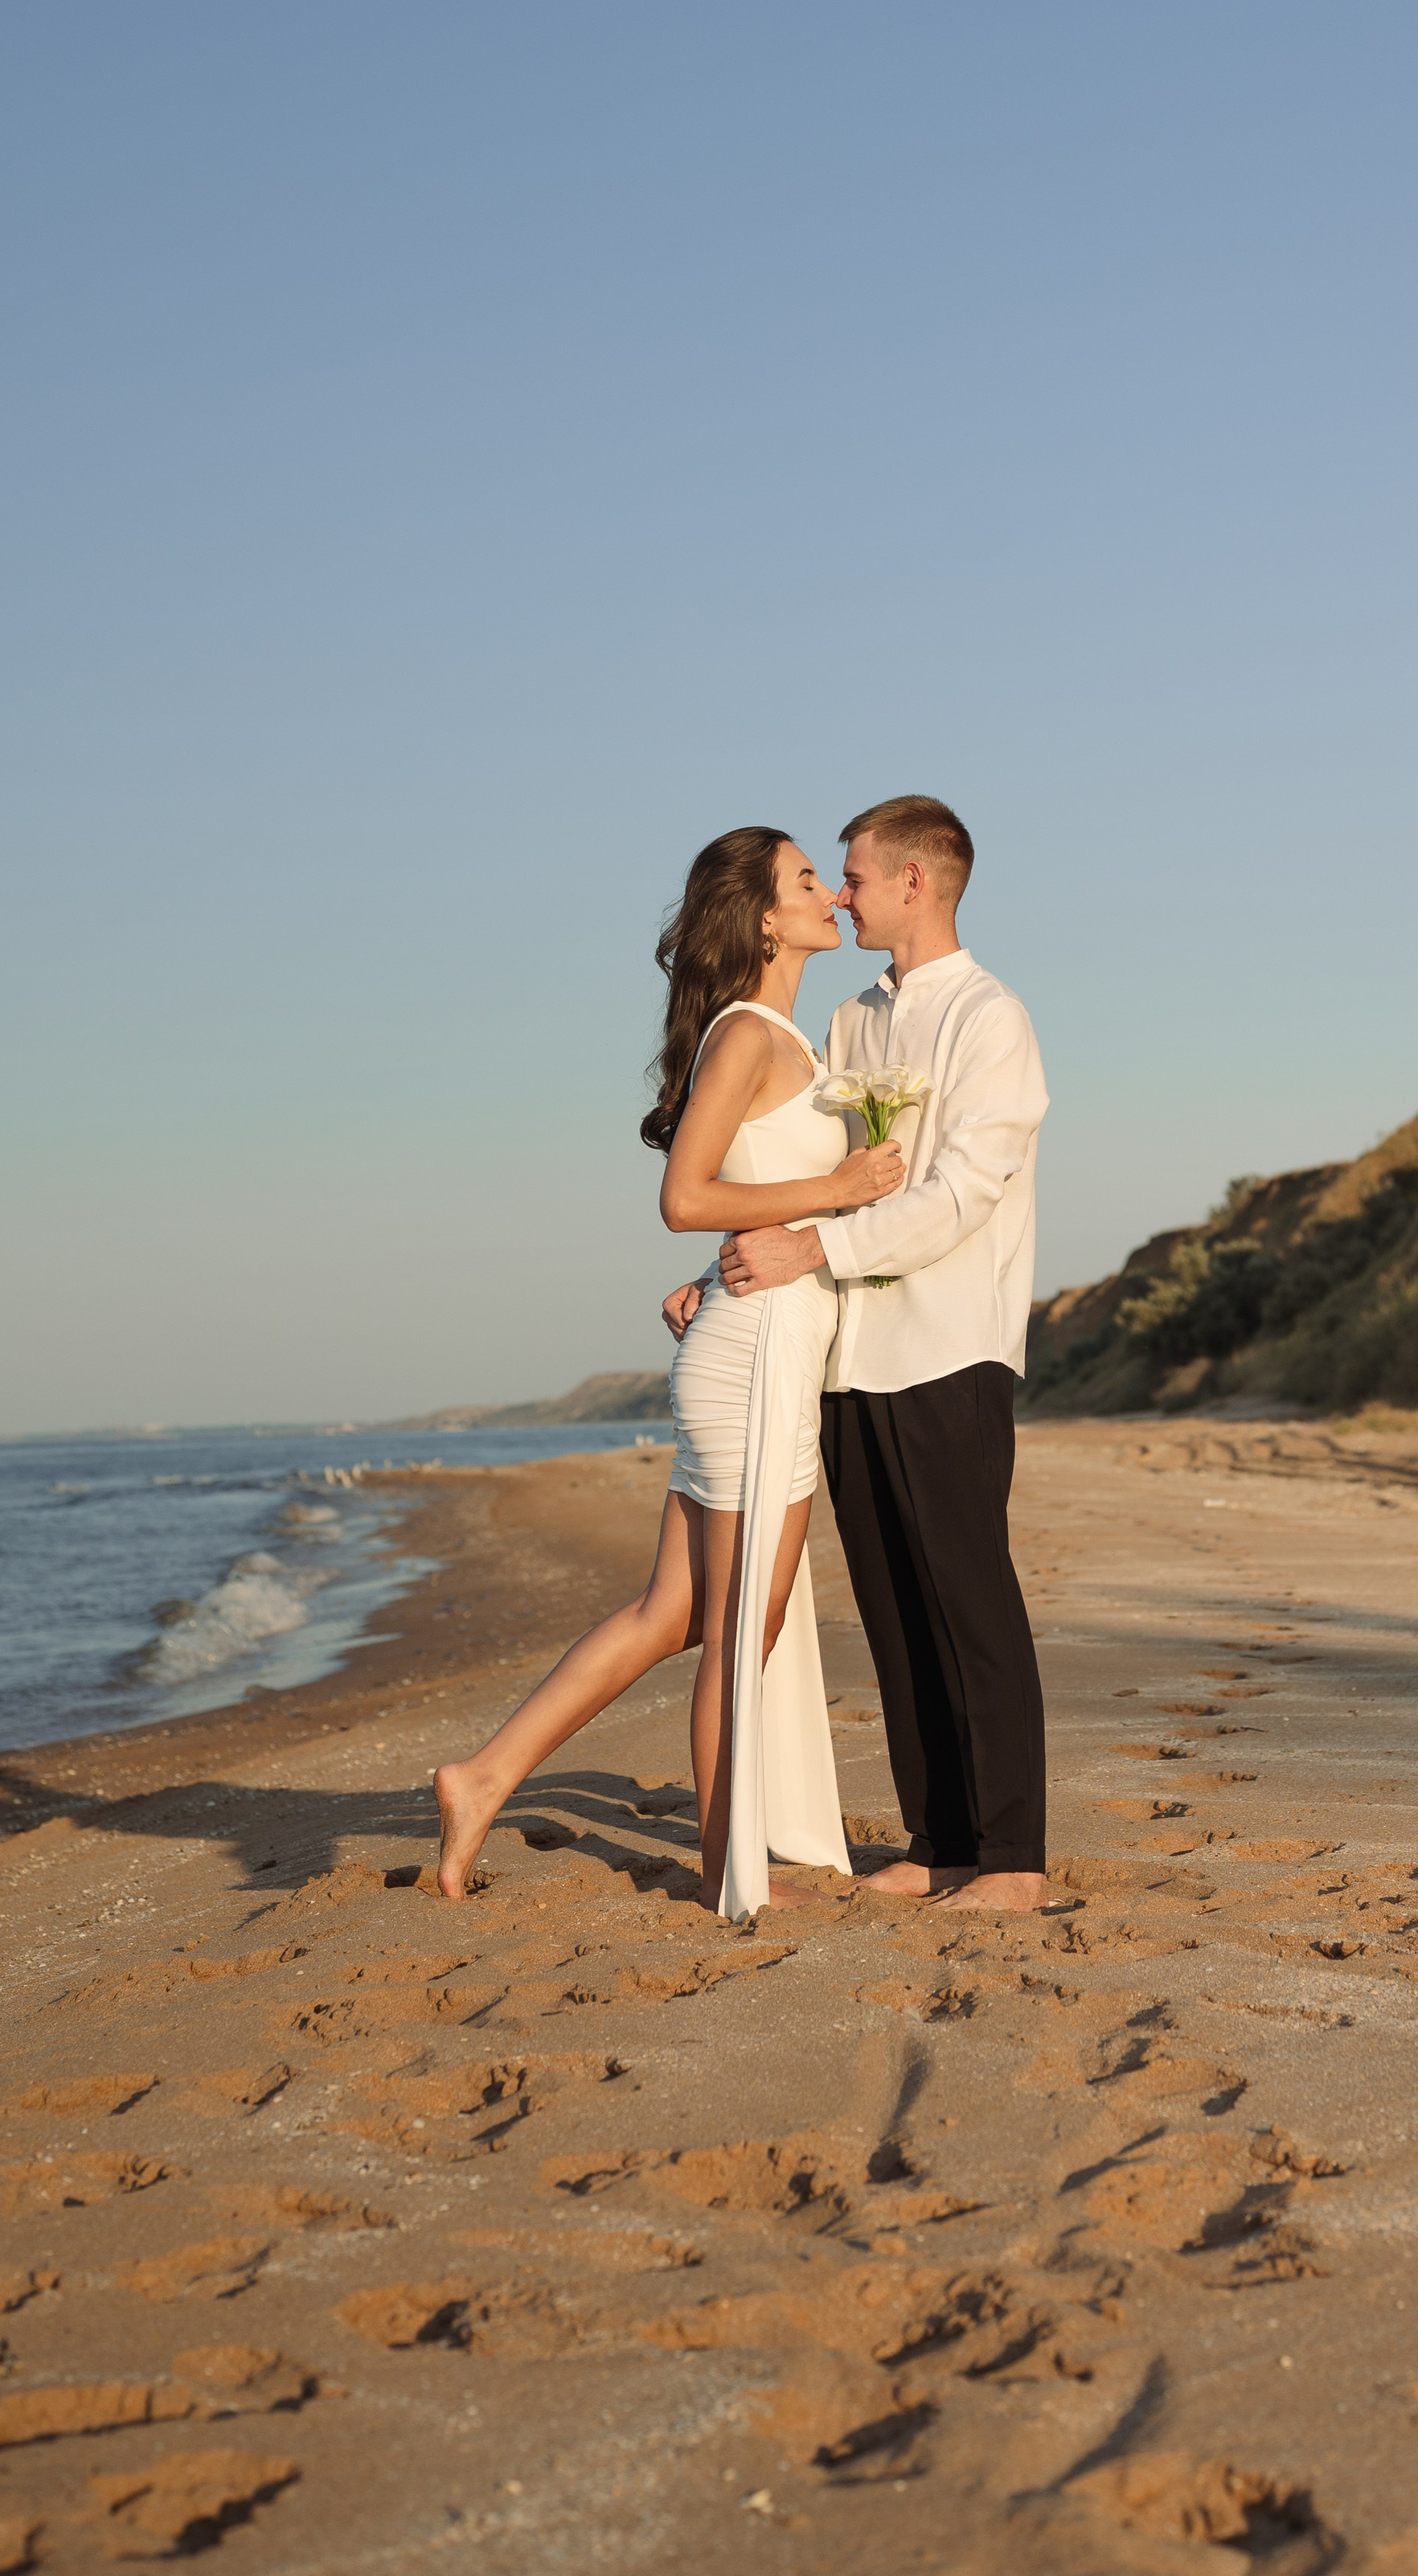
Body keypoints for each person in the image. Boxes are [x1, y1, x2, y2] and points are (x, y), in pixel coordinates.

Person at [430, 828, 905, 1915]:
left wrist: (715, 1273)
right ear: (762, 919)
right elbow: (686, 1196)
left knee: (671, 1613)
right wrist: (837, 1190)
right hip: (754, 1361)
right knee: (744, 1624)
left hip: (747, 1340)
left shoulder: (779, 1035)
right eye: (803, 883)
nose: (829, 894)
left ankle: (484, 1776)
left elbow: (743, 1191)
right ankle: (725, 1871)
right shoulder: (750, 1035)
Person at [713, 794, 1051, 1911]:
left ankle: (1012, 1856)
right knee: (893, 1605)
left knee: (970, 1598)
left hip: (952, 1343)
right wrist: (741, 1254)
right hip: (848, 1355)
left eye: (854, 877)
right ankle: (940, 1839)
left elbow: (960, 1195)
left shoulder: (990, 1018)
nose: (843, 895)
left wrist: (814, 1245)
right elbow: (799, 1158)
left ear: (917, 881)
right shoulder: (854, 1018)